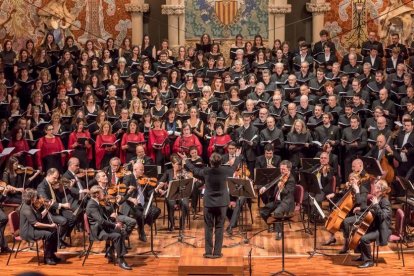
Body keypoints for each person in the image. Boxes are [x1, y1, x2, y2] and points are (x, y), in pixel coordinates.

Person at [183, 152, 233, 258]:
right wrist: (238, 157)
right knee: (219, 227)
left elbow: (194, 170)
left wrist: (186, 161)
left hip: (209, 203)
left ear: (210, 162)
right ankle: (217, 252)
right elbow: (235, 167)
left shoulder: (206, 171)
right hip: (222, 203)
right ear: (221, 162)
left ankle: (209, 252)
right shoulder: (226, 171)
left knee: (209, 228)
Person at [86, 185, 132, 270]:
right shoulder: (92, 205)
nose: (104, 194)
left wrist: (113, 217)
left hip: (102, 227)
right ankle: (121, 260)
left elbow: (105, 216)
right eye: (102, 193)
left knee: (123, 232)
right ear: (97, 195)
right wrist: (114, 225)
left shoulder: (97, 202)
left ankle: (111, 252)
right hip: (98, 231)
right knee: (117, 236)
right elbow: (101, 221)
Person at [353, 180, 392, 268]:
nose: (374, 187)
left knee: (364, 238)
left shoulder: (385, 201)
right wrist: (360, 208)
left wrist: (376, 205)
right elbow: (370, 208)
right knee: (357, 230)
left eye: (376, 186)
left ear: (380, 190)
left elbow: (383, 217)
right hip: (375, 226)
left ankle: (369, 261)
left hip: (382, 229)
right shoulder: (377, 198)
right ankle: (363, 256)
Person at [120, 162, 161, 242]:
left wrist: (156, 189)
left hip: (142, 203)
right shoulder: (128, 178)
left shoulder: (144, 179)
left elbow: (149, 192)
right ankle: (141, 231)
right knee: (140, 215)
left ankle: (140, 226)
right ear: (135, 170)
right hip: (131, 204)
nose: (143, 171)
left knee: (156, 211)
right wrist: (131, 199)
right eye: (141, 170)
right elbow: (122, 193)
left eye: (143, 169)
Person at [37, 168, 76, 249]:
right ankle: (57, 241)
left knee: (72, 217)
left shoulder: (52, 184)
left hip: (56, 209)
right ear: (49, 175)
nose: (56, 180)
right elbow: (47, 203)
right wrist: (62, 205)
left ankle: (60, 238)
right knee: (63, 221)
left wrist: (64, 188)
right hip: (47, 213)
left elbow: (57, 197)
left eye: (57, 178)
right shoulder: (41, 187)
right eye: (54, 178)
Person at [19, 188, 59, 265]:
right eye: (35, 196)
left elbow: (40, 216)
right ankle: (47, 258)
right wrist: (50, 225)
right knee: (49, 234)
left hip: (32, 228)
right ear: (31, 197)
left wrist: (48, 208)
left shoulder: (31, 205)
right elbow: (36, 224)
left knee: (54, 230)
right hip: (28, 231)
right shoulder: (26, 208)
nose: (36, 197)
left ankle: (52, 254)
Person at [259, 160, 295, 240]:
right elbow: (272, 182)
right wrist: (265, 187)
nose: (281, 171)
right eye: (281, 169)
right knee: (263, 211)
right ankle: (272, 225)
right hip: (278, 201)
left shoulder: (291, 180)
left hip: (286, 202)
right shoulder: (281, 176)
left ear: (289, 169)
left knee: (277, 212)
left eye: (284, 169)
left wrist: (282, 187)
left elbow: (287, 193)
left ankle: (279, 232)